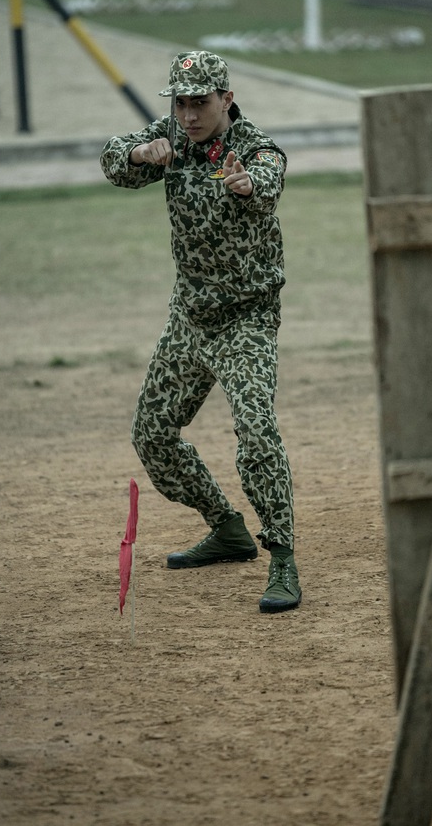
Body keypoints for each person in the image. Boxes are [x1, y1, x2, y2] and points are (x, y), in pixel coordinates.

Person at [100, 51, 302, 614]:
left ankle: (282, 557)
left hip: (247, 318)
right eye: (180, 103)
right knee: (153, 433)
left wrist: (246, 185)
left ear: (226, 99)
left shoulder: (254, 147)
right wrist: (140, 152)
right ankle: (226, 528)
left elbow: (269, 175)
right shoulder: (171, 135)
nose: (189, 115)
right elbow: (113, 161)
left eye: (200, 103)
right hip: (190, 316)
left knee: (256, 427)